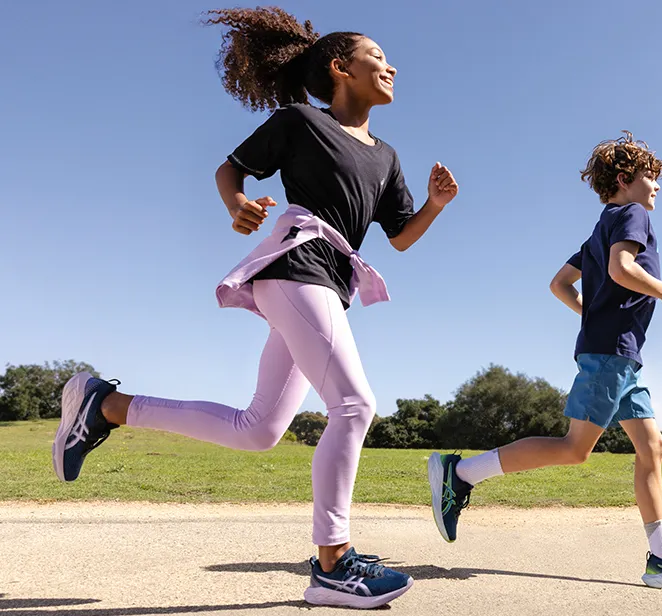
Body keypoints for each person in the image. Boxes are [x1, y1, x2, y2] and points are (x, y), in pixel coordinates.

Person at [51, 6, 458, 609]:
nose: (391, 65)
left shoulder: (387, 156)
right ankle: (333, 565)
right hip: (297, 266)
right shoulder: (299, 121)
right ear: (340, 68)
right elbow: (230, 168)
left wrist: (434, 205)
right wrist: (235, 203)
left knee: (260, 430)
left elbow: (399, 237)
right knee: (354, 405)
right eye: (378, 56)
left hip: (329, 283)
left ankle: (104, 405)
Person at [426, 132, 662, 590]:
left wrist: (594, 315)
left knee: (652, 448)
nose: (658, 188)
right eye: (652, 178)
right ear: (626, 179)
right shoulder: (633, 214)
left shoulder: (596, 232)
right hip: (611, 355)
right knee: (575, 448)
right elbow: (621, 270)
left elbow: (559, 285)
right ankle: (461, 473)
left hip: (620, 356)